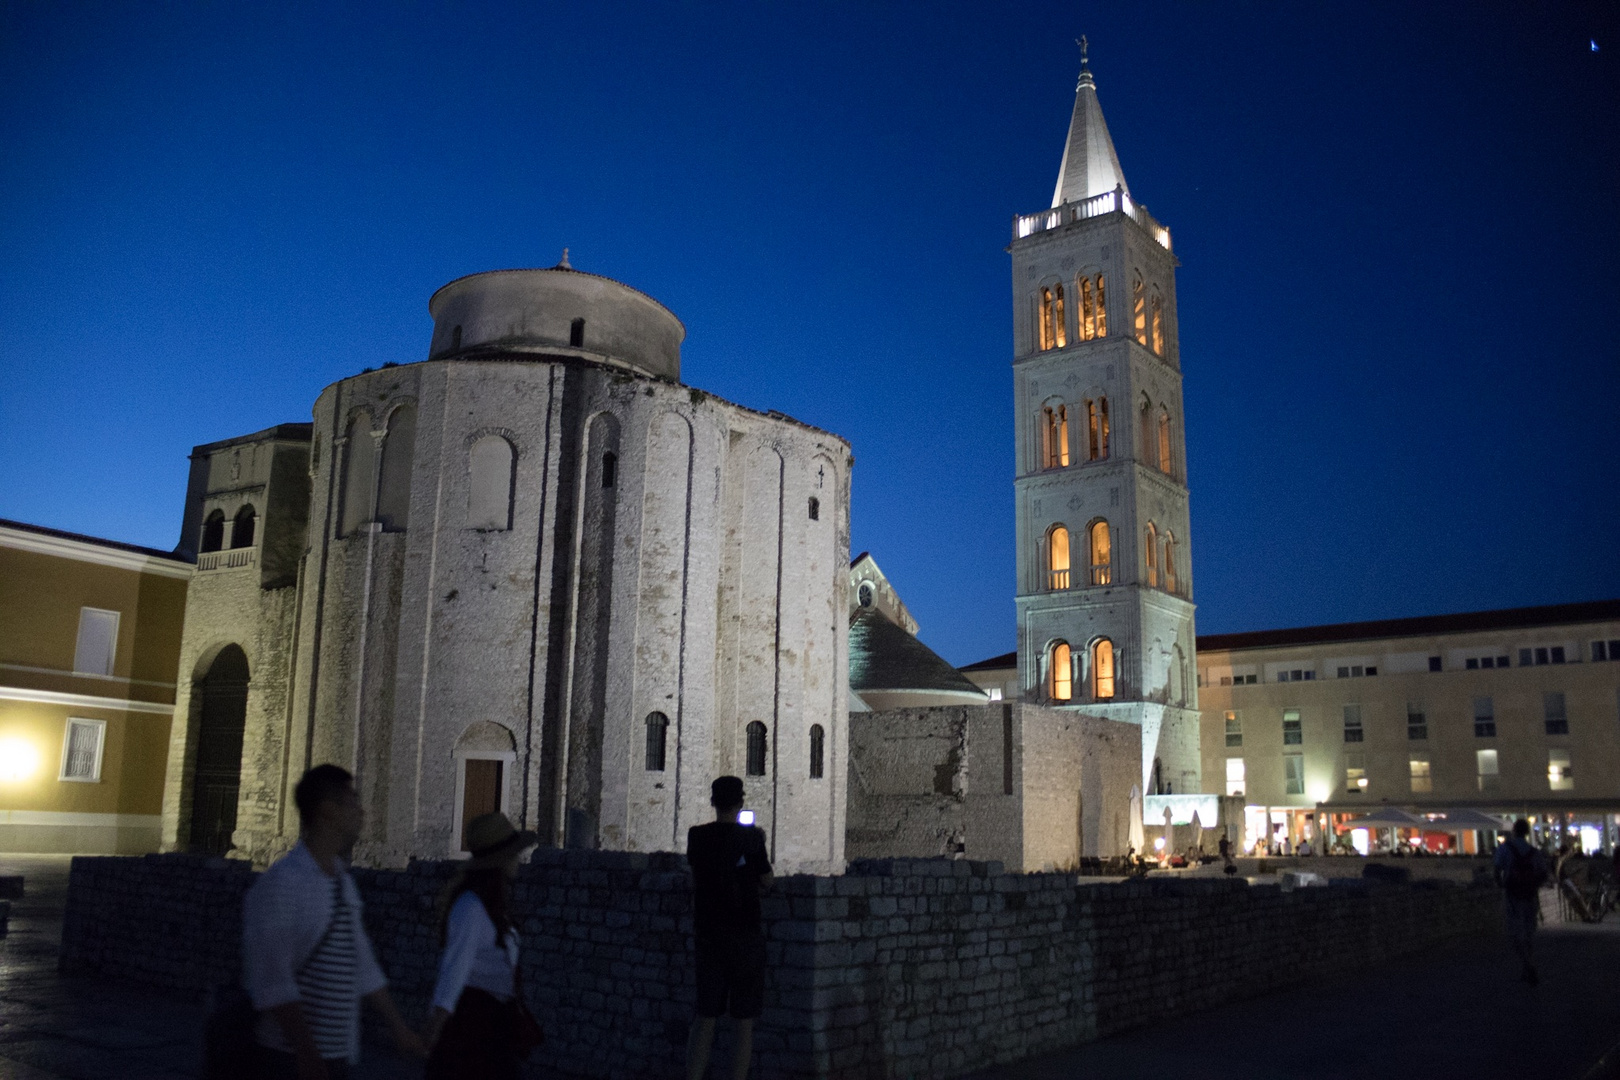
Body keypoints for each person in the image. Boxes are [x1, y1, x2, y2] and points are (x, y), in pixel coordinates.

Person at [242, 764, 425, 1079]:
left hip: (335, 1058)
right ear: (328, 811)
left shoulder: (342, 881)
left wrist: (400, 1029)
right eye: (352, 801)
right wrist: (308, 1054)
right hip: (288, 1061)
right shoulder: (283, 883)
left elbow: (362, 963)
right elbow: (273, 982)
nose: (362, 811)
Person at [425, 812, 541, 1080]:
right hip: (473, 1030)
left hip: (494, 1027)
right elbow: (453, 973)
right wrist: (433, 1031)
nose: (519, 860)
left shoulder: (493, 906)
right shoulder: (471, 907)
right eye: (514, 854)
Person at [686, 776, 773, 1080]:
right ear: (740, 803)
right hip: (744, 935)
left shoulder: (696, 836)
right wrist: (757, 842)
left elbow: (696, 876)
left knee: (705, 1017)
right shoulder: (750, 838)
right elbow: (767, 880)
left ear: (712, 802)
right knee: (743, 1023)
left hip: (708, 934)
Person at [1494, 818, 1549, 985]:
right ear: (1526, 832)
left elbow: (1497, 870)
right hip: (1530, 895)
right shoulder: (1534, 852)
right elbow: (1543, 874)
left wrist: (1502, 886)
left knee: (1514, 933)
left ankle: (1527, 965)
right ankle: (1528, 965)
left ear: (1514, 831)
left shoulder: (1505, 849)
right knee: (1528, 932)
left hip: (1512, 895)